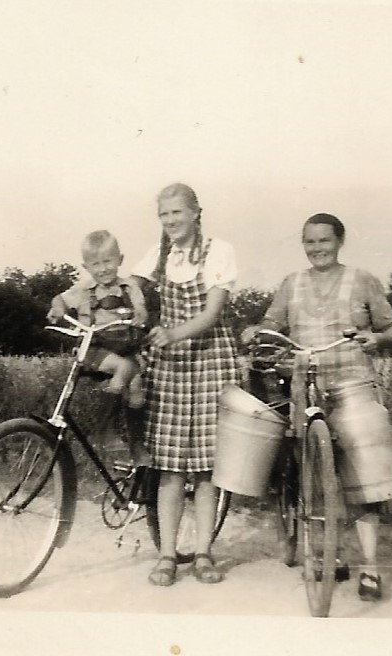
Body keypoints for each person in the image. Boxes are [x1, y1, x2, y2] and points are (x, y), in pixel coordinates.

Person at [242, 213, 392, 602]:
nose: (317, 248)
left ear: (339, 241)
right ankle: (326, 554)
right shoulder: (291, 283)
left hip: (352, 384)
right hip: (306, 386)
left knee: (365, 478)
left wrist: (375, 338)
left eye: (324, 241)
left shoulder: (362, 279)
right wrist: (256, 330)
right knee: (311, 476)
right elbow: (272, 321)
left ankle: (370, 566)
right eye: (310, 241)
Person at [132, 183, 241, 586]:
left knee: (207, 469)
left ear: (196, 212)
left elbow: (212, 314)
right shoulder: (159, 253)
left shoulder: (219, 251)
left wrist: (171, 333)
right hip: (172, 368)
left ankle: (203, 552)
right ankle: (166, 555)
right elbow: (131, 284)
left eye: (177, 213)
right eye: (163, 215)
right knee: (170, 467)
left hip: (211, 361)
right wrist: (136, 301)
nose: (170, 221)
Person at [48, 230, 151, 466]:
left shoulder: (129, 288)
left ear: (120, 260)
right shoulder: (83, 290)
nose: (103, 269)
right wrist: (57, 309)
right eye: (96, 264)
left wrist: (140, 316)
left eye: (108, 261)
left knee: (136, 387)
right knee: (125, 368)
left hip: (124, 348)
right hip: (94, 350)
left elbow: (141, 309)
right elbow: (60, 299)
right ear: (86, 266)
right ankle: (104, 430)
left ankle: (136, 444)